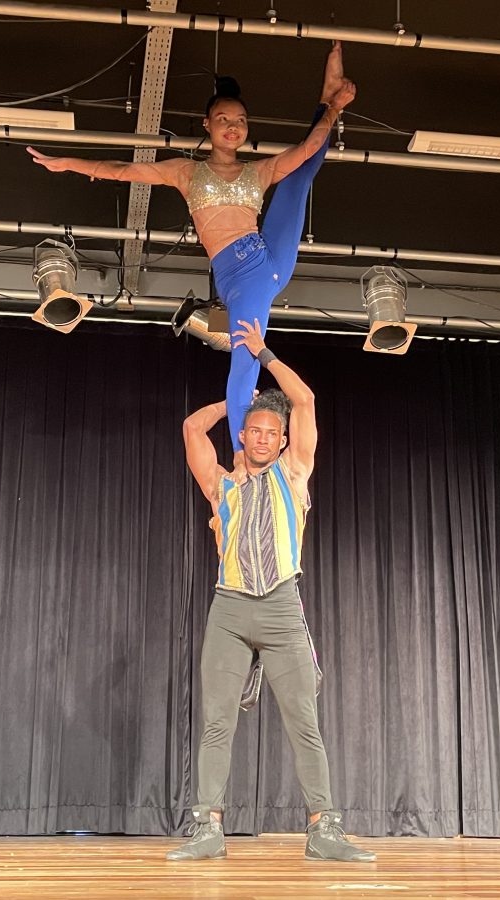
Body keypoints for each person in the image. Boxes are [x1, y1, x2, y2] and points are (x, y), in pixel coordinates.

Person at [28, 43, 356, 477]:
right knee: (246, 355)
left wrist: (333, 110)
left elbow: (309, 147)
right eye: (223, 119)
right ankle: (241, 456)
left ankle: (326, 95)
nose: (232, 127)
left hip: (266, 259)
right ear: (207, 125)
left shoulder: (258, 171)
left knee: (299, 177)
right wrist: (70, 163)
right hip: (243, 277)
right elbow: (123, 170)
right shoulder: (186, 172)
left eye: (240, 121)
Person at [169, 318, 374, 863]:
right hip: (230, 610)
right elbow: (192, 429)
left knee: (304, 723)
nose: (262, 438)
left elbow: (304, 400)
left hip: (282, 608)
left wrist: (262, 354)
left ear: (282, 442)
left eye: (270, 433)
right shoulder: (223, 485)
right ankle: (207, 829)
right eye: (254, 430)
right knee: (217, 721)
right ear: (243, 435)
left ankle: (324, 830)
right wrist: (236, 401)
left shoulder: (294, 473)